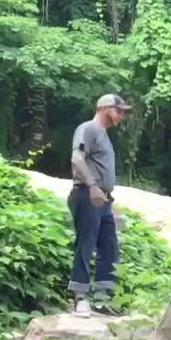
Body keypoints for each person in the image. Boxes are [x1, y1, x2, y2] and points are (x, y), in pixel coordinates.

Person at [68, 93, 130, 317]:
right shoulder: (88, 129)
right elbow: (77, 159)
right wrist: (93, 186)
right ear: (105, 108)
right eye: (119, 110)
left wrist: (108, 202)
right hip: (87, 194)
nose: (122, 115)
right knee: (85, 245)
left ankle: (103, 299)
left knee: (109, 247)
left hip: (102, 199)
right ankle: (80, 298)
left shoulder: (104, 136)